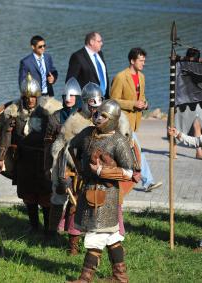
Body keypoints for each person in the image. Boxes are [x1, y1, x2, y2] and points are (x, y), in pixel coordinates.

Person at [66, 99, 134, 282]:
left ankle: (85, 278)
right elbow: (71, 145)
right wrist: (79, 168)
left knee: (96, 236)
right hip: (88, 189)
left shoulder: (118, 141)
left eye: (103, 116)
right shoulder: (88, 134)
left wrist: (103, 171)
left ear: (112, 119)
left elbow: (129, 172)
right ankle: (120, 276)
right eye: (96, 114)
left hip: (107, 195)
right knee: (112, 237)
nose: (97, 118)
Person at [0, 73, 54, 235]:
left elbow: (56, 132)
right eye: (27, 97)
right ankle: (34, 226)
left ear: (37, 96)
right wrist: (0, 158)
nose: (30, 100)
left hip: (43, 159)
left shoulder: (46, 112)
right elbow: (5, 136)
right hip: (24, 160)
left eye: (33, 97)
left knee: (45, 195)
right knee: (28, 195)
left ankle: (49, 228)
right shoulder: (14, 113)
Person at [50, 82, 103, 255]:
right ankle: (70, 245)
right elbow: (63, 150)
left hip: (95, 172)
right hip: (76, 172)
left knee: (96, 205)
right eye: (92, 104)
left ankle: (93, 242)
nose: (95, 109)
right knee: (74, 207)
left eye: (97, 104)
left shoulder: (102, 120)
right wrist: (63, 177)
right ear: (86, 102)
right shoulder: (74, 122)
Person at [111, 47, 162, 192]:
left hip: (135, 122)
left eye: (144, 61)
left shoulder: (142, 76)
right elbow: (113, 100)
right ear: (132, 61)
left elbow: (142, 96)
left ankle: (122, 178)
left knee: (129, 153)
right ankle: (148, 182)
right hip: (122, 122)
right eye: (141, 60)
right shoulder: (120, 77)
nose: (143, 63)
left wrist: (145, 104)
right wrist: (133, 104)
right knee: (137, 150)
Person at [66, 32, 109, 98]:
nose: (101, 43)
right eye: (99, 41)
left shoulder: (100, 54)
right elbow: (71, 81)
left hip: (104, 98)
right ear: (91, 42)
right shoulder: (77, 56)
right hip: (88, 101)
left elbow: (104, 75)